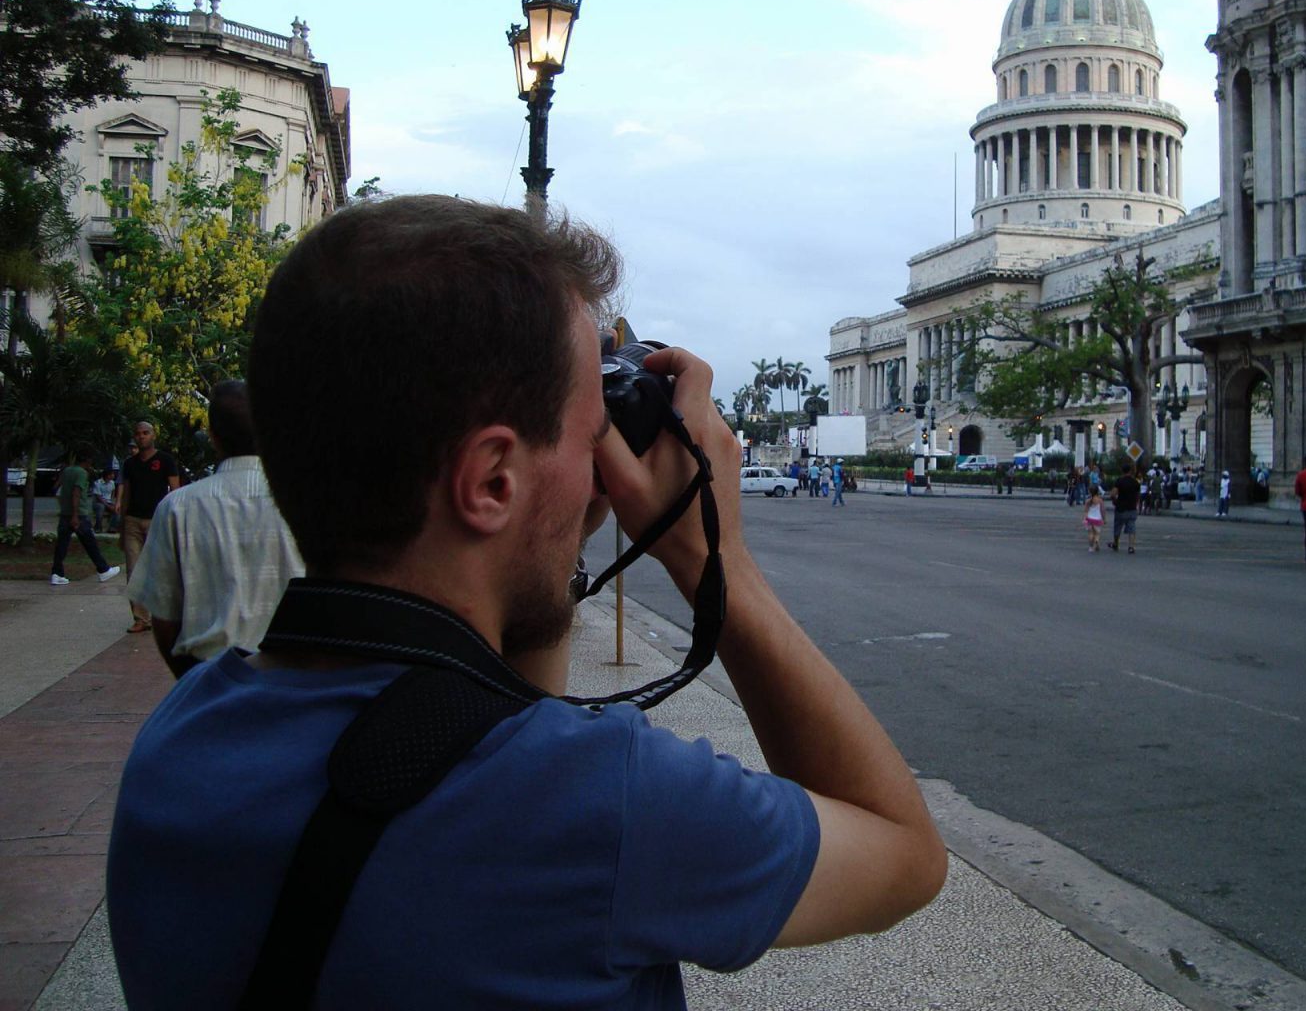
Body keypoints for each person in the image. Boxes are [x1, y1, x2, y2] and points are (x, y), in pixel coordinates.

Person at [107, 197, 945, 1008]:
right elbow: (905, 857)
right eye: (590, 435)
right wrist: (717, 562)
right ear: (492, 481)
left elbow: (493, 711)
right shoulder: (603, 802)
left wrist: (542, 530)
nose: (600, 466)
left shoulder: (181, 738)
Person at [126, 381, 305, 679]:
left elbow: (164, 617)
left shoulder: (177, 508)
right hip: (293, 679)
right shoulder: (306, 504)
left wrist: (192, 683)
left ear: (213, 437)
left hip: (209, 675)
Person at [116, 420, 181, 633]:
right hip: (133, 521)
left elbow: (175, 492)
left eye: (145, 433)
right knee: (134, 570)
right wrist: (122, 523)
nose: (141, 436)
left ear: (153, 435)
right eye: (138, 433)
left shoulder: (165, 460)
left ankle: (163, 616)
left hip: (157, 522)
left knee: (160, 570)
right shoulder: (130, 464)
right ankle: (141, 618)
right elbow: (126, 494)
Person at [48, 449, 121, 587]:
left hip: (65, 512)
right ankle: (103, 569)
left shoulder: (67, 471)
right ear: (87, 460)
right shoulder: (82, 473)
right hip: (79, 514)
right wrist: (75, 515)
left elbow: (56, 487)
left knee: (62, 544)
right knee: (90, 543)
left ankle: (57, 573)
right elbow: (77, 492)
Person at [1108, 462, 1139, 554]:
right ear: (1130, 471)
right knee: (1132, 528)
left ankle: (1116, 543)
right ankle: (1131, 546)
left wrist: (1114, 501)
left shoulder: (1119, 481)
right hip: (1132, 508)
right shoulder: (1135, 482)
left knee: (1117, 526)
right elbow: (1138, 496)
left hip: (1121, 508)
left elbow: (1113, 494)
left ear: (1122, 471)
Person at [90, 467, 119, 533]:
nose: (113, 475)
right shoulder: (98, 483)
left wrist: (112, 503)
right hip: (98, 502)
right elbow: (99, 497)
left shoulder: (112, 483)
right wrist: (108, 506)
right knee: (101, 507)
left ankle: (112, 528)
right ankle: (98, 527)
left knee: (117, 509)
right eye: (112, 474)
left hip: (108, 502)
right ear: (108, 475)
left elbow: (112, 493)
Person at [1083, 485, 1105, 552]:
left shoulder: (1088, 501)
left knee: (1091, 533)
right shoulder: (1100, 500)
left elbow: (1086, 511)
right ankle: (1096, 541)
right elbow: (1102, 510)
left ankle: (1090, 547)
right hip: (1097, 519)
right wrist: (1104, 519)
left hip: (1089, 519)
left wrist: (1085, 518)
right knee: (1097, 533)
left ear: (1089, 492)